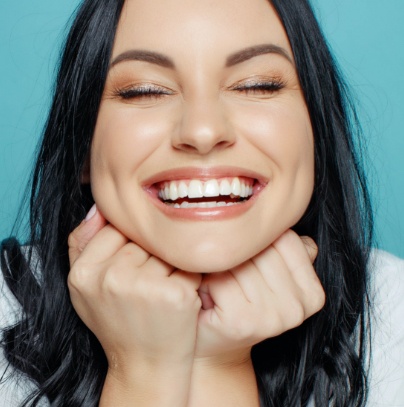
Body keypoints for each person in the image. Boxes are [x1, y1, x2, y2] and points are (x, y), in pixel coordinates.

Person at [1, 0, 403, 406]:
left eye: (257, 84)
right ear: (83, 146)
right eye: (145, 91)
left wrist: (219, 366)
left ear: (315, 128)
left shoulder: (393, 310)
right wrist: (143, 372)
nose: (203, 130)